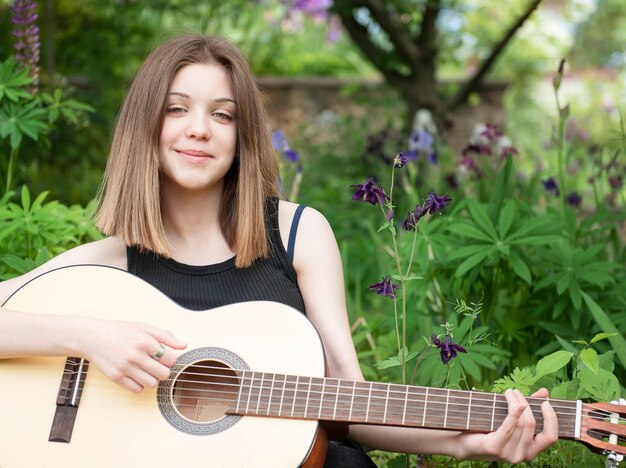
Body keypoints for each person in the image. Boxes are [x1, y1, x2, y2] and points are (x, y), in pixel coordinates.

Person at [0, 34, 558, 466]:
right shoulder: (112, 263)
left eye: (223, 114)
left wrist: (465, 444)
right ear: (143, 126)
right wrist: (90, 335)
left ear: (243, 136)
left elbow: (349, 403)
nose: (200, 129)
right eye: (176, 109)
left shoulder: (297, 234)